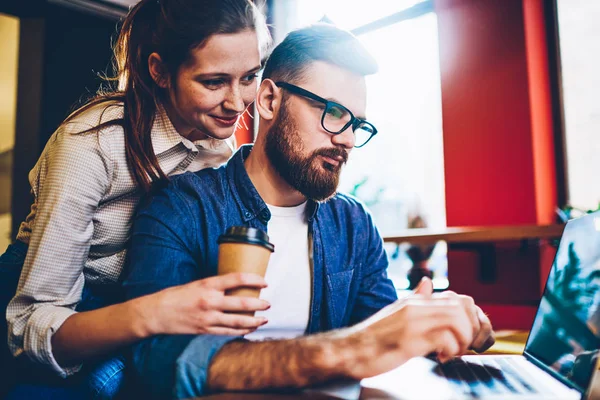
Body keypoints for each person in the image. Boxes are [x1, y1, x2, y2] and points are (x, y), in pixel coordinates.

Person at [122, 23, 496, 399]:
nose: (348, 139)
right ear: (269, 100)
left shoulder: (354, 225)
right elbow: (156, 363)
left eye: (357, 124)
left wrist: (436, 327)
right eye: (333, 112)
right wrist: (349, 351)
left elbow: (382, 333)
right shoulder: (181, 207)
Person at [1, 0, 272, 398]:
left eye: (249, 76)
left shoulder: (219, 144)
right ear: (160, 71)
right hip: (46, 303)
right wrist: (156, 312)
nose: (237, 103)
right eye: (214, 82)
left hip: (139, 295)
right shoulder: (89, 146)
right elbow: (30, 324)